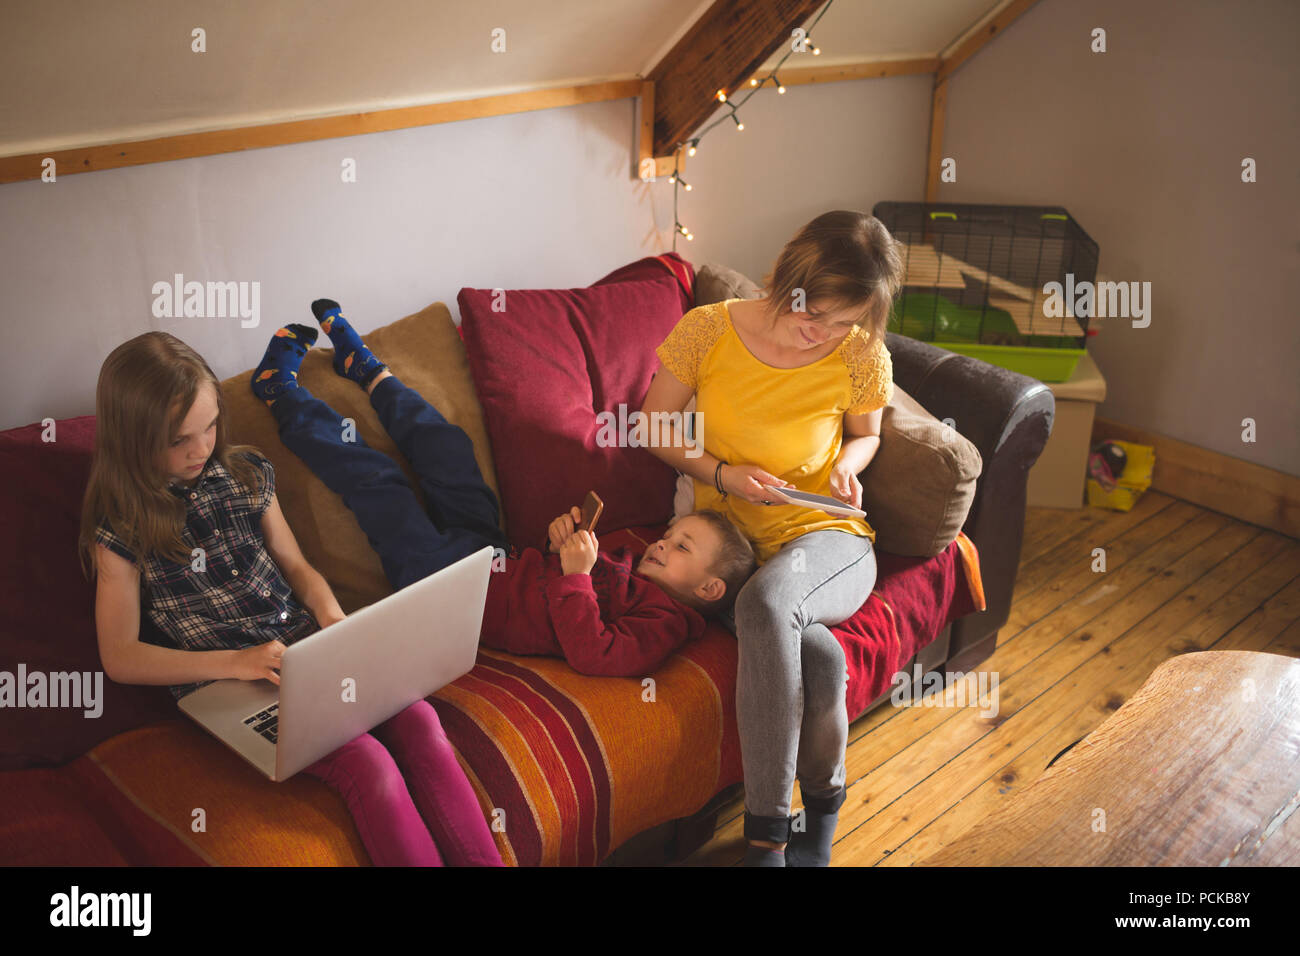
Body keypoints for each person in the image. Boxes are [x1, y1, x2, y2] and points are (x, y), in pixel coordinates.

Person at [78, 330, 502, 867]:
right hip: (227, 684)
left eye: (209, 427)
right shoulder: (120, 528)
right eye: (179, 440)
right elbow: (120, 657)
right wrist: (237, 663)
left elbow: (299, 569)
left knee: (419, 719)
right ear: (133, 439)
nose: (200, 448)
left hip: (302, 654)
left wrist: (333, 620)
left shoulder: (246, 473)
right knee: (366, 764)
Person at [252, 299, 757, 680]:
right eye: (673, 534)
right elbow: (552, 577)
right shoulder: (634, 562)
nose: (663, 542)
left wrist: (576, 574)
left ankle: (280, 392)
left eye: (682, 546)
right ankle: (371, 371)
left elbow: (593, 653)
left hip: (446, 593)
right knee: (448, 448)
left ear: (709, 589)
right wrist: (559, 544)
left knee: (379, 484)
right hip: (490, 554)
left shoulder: (663, 623)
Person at [641, 210, 904, 866]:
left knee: (766, 604)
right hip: (733, 547)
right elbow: (651, 426)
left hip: (828, 538)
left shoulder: (859, 350)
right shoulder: (708, 331)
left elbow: (866, 433)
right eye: (818, 316)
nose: (827, 335)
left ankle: (766, 837)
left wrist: (849, 462)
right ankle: (820, 823)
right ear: (788, 283)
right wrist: (722, 474)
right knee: (822, 661)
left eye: (846, 322)